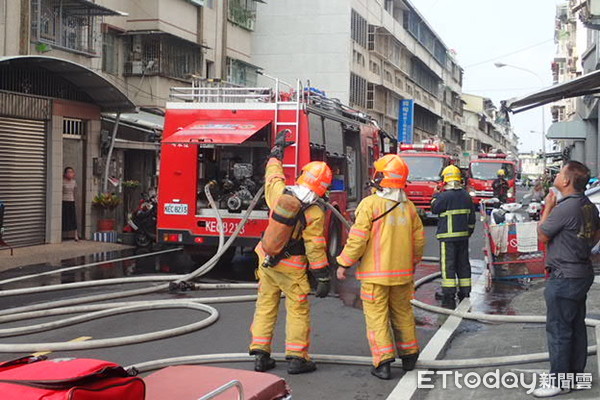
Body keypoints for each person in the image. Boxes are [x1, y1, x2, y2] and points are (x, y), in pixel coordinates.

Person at [249, 130, 332, 375]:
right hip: (292, 267)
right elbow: (315, 246)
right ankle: (297, 358)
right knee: (297, 309)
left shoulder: (281, 194)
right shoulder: (314, 212)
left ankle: (260, 355)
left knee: (265, 305)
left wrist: (276, 153)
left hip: (266, 258)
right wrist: (323, 276)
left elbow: (273, 176)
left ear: (303, 176)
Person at [336, 154, 425, 380]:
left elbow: (357, 239)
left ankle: (383, 363)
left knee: (377, 318)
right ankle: (410, 356)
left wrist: (344, 263)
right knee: (403, 313)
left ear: (382, 177)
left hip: (375, 276)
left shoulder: (370, 204)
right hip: (403, 276)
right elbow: (419, 242)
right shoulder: (409, 207)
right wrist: (412, 263)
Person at [533, 161, 600, 398]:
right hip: (581, 273)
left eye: (561, 172)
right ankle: (575, 377)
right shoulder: (589, 206)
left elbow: (542, 234)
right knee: (576, 326)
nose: (558, 175)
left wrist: (548, 206)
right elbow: (595, 236)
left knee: (559, 329)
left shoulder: (565, 207)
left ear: (567, 181)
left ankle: (558, 381)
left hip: (564, 277)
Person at [430, 165, 476, 309]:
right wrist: (468, 232)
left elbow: (434, 208)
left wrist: (435, 195)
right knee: (463, 264)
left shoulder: (443, 196)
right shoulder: (466, 196)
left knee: (448, 265)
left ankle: (448, 293)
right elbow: (472, 218)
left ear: (445, 180)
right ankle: (465, 291)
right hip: (463, 237)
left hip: (447, 237)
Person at [62, 167, 79, 241]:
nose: (70, 173)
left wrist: (75, 200)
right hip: (64, 201)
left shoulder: (74, 182)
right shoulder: (62, 181)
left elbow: (75, 192)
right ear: (65, 174)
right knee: (64, 218)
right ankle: (61, 234)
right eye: (68, 172)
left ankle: (76, 235)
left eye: (71, 172)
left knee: (73, 218)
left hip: (71, 201)